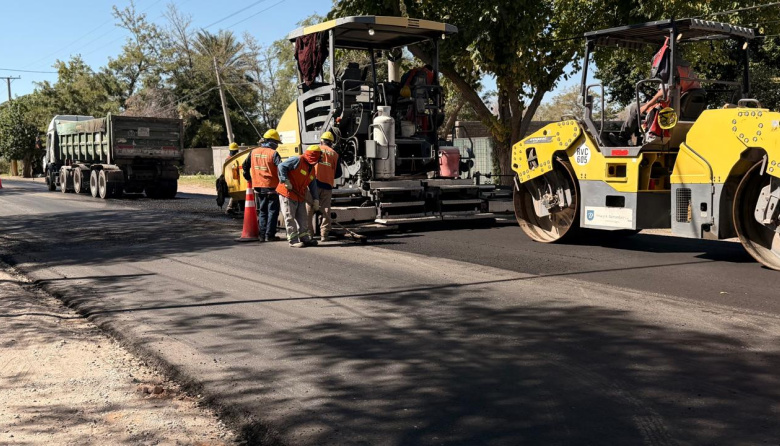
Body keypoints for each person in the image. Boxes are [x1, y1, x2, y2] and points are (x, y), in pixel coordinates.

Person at [620, 41, 700, 143]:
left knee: (635, 108)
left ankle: (623, 137)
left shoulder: (673, 71)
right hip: (681, 110)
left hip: (668, 111)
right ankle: (638, 139)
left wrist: (647, 105)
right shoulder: (688, 71)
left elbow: (664, 91)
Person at [277, 145, 322, 248]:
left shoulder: (312, 168)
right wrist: (285, 180)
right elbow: (281, 166)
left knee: (303, 218)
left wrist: (316, 199)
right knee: (290, 217)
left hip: (300, 195)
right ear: (314, 157)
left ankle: (304, 238)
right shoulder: (297, 160)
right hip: (288, 192)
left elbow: (312, 184)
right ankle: (293, 240)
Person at [242, 129, 283, 242]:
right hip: (272, 187)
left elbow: (245, 166)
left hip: (258, 188)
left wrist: (248, 178)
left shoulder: (253, 152)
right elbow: (281, 168)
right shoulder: (273, 153)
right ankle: (269, 235)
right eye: (276, 143)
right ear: (271, 141)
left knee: (262, 211)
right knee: (272, 211)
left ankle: (261, 235)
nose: (277, 146)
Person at [307, 131, 342, 241]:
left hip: (313, 184)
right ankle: (324, 235)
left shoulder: (314, 149)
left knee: (309, 210)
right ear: (331, 143)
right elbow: (338, 173)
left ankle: (309, 235)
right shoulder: (335, 154)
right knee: (326, 210)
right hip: (327, 186)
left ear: (321, 141)